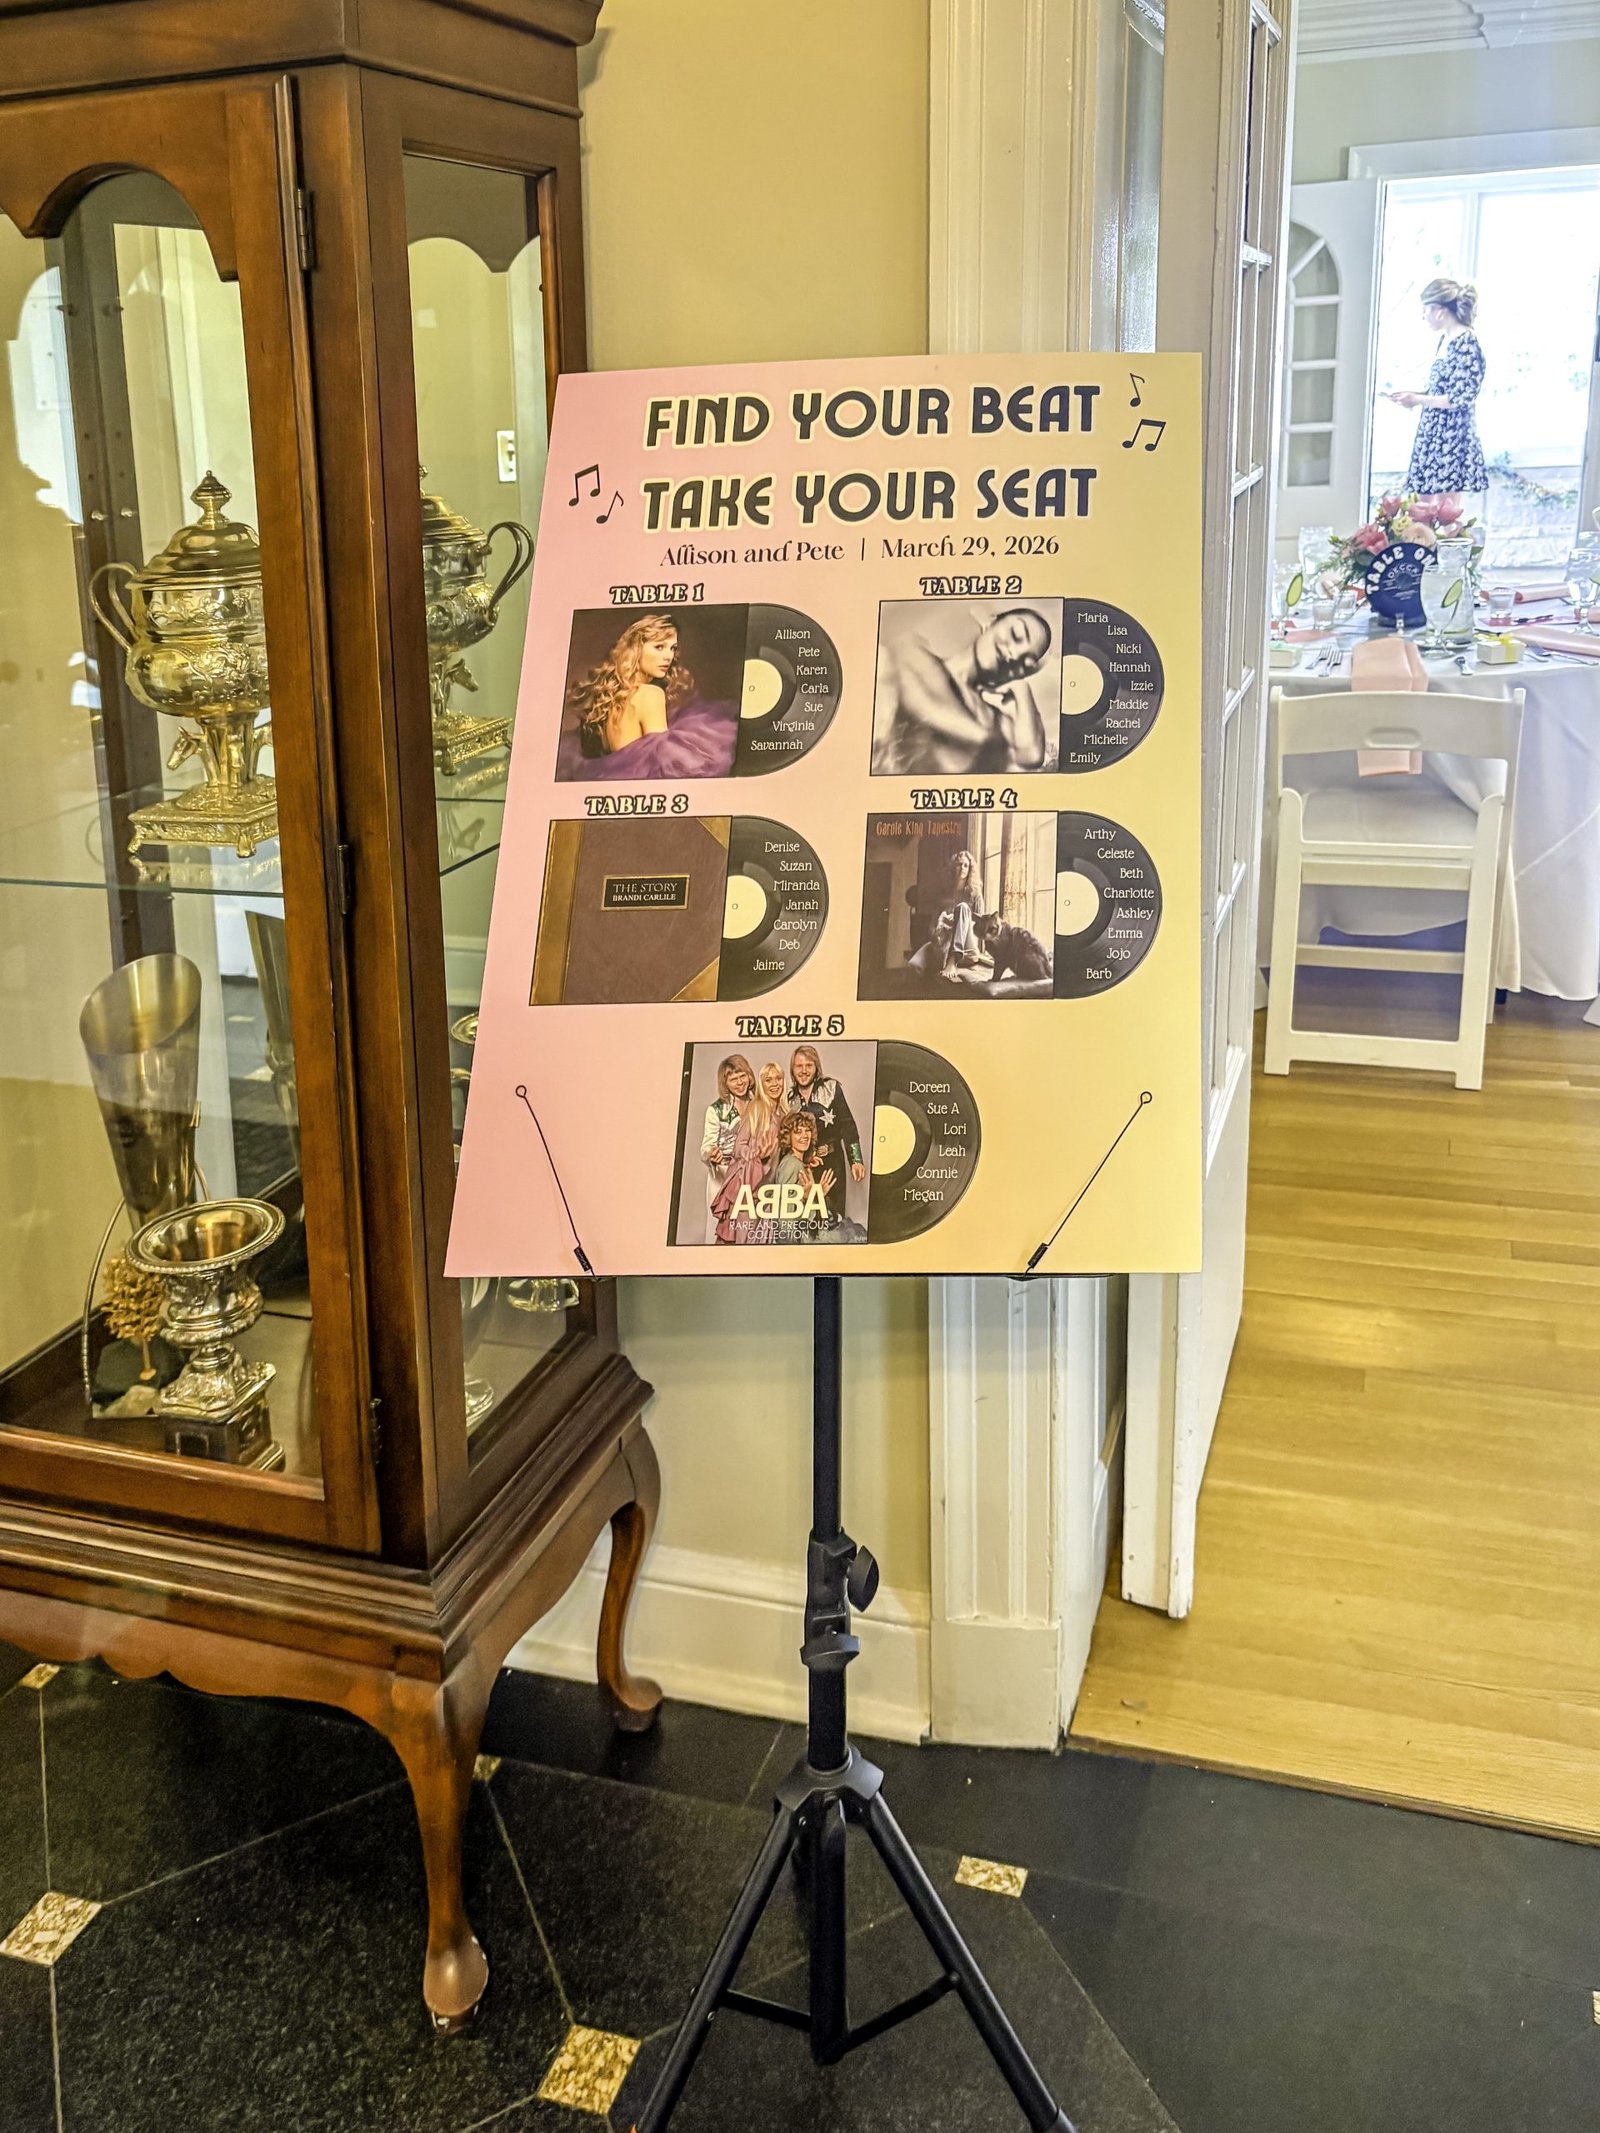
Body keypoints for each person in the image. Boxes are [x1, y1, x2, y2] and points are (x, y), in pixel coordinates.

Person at [872, 606, 1055, 775]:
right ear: (990, 623)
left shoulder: (991, 719)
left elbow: (1031, 756)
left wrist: (1022, 688)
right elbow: (926, 704)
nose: (1013, 655)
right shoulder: (913, 655)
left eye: (1025, 662)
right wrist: (986, 739)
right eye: (1015, 635)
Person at [560, 614, 738, 780]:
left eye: (672, 648)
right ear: (636, 650)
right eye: (659, 647)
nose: (668, 656)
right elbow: (663, 766)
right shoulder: (651, 694)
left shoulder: (610, 698)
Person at [1386, 278, 1486, 509]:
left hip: (1452, 435)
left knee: (1446, 512)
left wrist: (1418, 399)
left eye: (1426, 310)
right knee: (1422, 509)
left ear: (1439, 311)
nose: (1424, 316)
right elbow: (1442, 389)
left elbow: (1460, 398)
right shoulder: (1446, 341)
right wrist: (1413, 396)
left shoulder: (1466, 344)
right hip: (1433, 432)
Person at [786, 1044, 866, 1230]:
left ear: (816, 1068)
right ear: (792, 1069)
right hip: (802, 1168)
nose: (804, 1071)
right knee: (805, 1221)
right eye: (799, 1066)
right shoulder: (788, 1099)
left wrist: (856, 1159)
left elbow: (848, 1125)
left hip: (831, 1164)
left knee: (832, 1219)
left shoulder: (831, 1088)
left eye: (809, 1065)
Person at [710, 1054, 779, 1245]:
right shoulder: (757, 1108)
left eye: (778, 1079)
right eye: (768, 1080)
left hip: (766, 1183)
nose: (774, 1084)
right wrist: (756, 1155)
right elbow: (739, 1146)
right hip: (747, 1180)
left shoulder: (777, 1111)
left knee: (757, 1239)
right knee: (741, 1239)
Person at [906, 848, 988, 980]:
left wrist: (958, 922)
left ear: (970, 869)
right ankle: (943, 958)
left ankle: (952, 961)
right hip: (946, 942)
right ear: (953, 868)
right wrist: (941, 924)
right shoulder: (945, 894)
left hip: (967, 948)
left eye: (966, 865)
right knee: (915, 965)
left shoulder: (975, 894)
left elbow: (980, 927)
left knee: (962, 908)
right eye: (959, 864)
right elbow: (932, 927)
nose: (962, 868)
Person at [698, 1054, 750, 1244]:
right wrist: (710, 1154)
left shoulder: (757, 1105)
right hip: (722, 1175)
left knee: (746, 1227)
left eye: (742, 1076)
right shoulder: (716, 1110)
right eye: (733, 1079)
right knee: (718, 1228)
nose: (739, 1082)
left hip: (748, 1175)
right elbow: (705, 1147)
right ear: (725, 1082)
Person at [770, 1109, 835, 1243]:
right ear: (788, 1137)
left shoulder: (799, 1163)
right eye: (798, 1132)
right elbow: (784, 1214)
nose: (805, 1136)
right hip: (794, 1244)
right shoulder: (791, 1165)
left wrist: (816, 1196)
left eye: (807, 1130)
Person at [973, 907, 1053, 985]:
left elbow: (1001, 961)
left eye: (990, 930)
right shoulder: (1003, 931)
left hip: (1034, 967)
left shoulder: (1003, 936)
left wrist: (995, 979)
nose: (986, 935)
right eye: (981, 930)